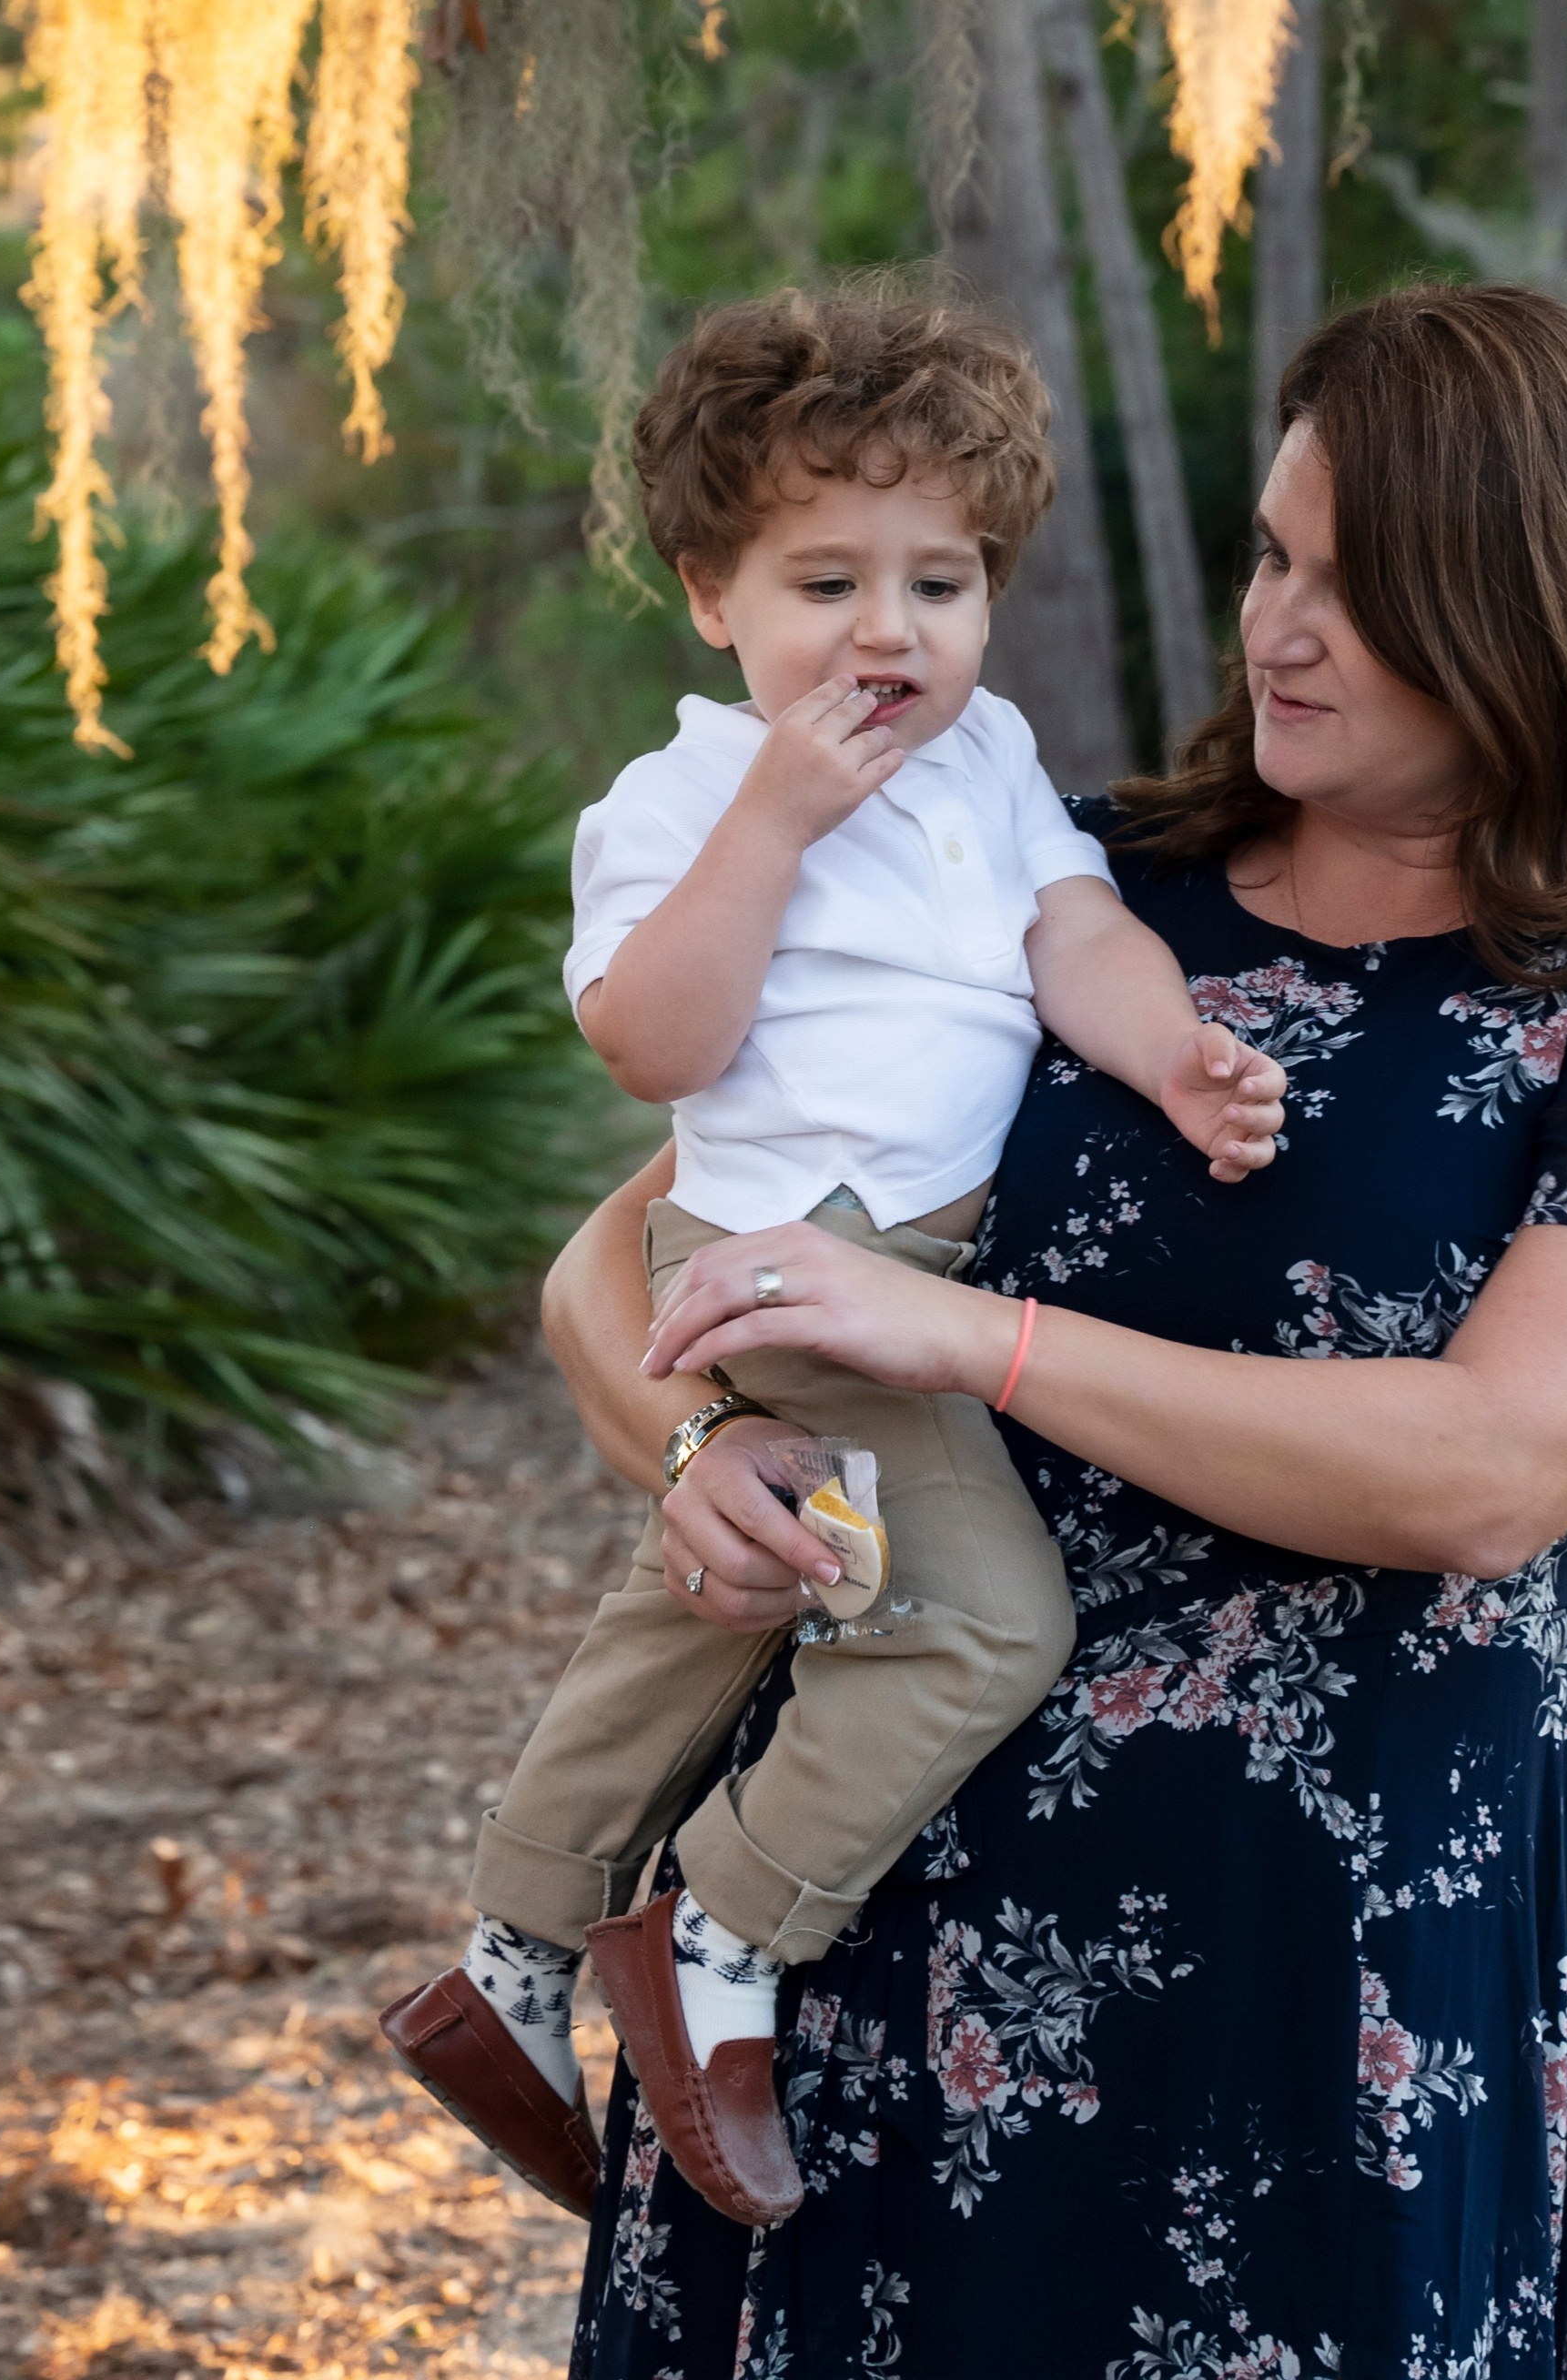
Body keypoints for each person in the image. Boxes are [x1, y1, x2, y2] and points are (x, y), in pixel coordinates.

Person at [550, 281, 1567, 2380]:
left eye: (1360, 586)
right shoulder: (1075, 889)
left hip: (1313, 1992)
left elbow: (1491, 1470)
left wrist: (980, 1346)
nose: (1274, 629)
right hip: (858, 1931)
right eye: (1269, 555)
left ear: (1531, 604)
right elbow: (617, 1259)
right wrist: (696, 1454)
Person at [381, 287, 1284, 2234]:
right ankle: (709, 1937)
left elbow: (1078, 942)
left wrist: (1171, 1051)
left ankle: (513, 1951)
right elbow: (654, 1043)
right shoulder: (683, 801)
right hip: (796, 1268)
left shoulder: (989, 761)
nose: (889, 633)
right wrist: (777, 823)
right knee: (974, 1620)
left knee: (711, 1602)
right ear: (709, 590)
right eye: (826, 579)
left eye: (939, 582)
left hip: (912, 1259)